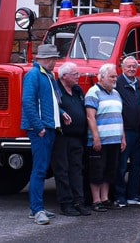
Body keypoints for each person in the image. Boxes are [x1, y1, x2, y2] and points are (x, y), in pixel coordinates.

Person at [21, 43, 67, 225]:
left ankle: (37, 208)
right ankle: (37, 210)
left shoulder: (46, 75)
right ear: (46, 60)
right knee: (39, 170)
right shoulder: (34, 75)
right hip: (41, 130)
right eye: (53, 59)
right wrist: (38, 127)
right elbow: (28, 102)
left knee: (41, 168)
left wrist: (61, 113)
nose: (55, 62)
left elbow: (52, 101)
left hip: (47, 128)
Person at [85, 63, 126, 212]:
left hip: (114, 140)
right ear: (102, 77)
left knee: (110, 170)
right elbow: (90, 117)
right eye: (112, 76)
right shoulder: (93, 92)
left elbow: (119, 116)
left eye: (115, 76)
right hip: (99, 141)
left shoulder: (116, 93)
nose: (115, 79)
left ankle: (105, 198)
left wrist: (123, 138)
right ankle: (96, 200)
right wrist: (96, 138)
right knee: (97, 170)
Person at [52, 62, 90, 216]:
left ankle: (79, 202)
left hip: (77, 137)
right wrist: (61, 112)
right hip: (62, 137)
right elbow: (50, 105)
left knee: (77, 170)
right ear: (64, 76)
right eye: (75, 74)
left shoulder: (77, 89)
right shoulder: (55, 89)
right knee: (62, 170)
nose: (78, 77)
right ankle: (66, 204)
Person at [114, 56, 140, 207]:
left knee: (137, 164)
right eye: (129, 67)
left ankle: (133, 194)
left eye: (134, 67)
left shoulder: (137, 83)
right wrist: (122, 134)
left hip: (138, 130)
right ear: (122, 68)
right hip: (125, 131)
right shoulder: (118, 83)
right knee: (121, 165)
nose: (132, 69)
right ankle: (119, 196)